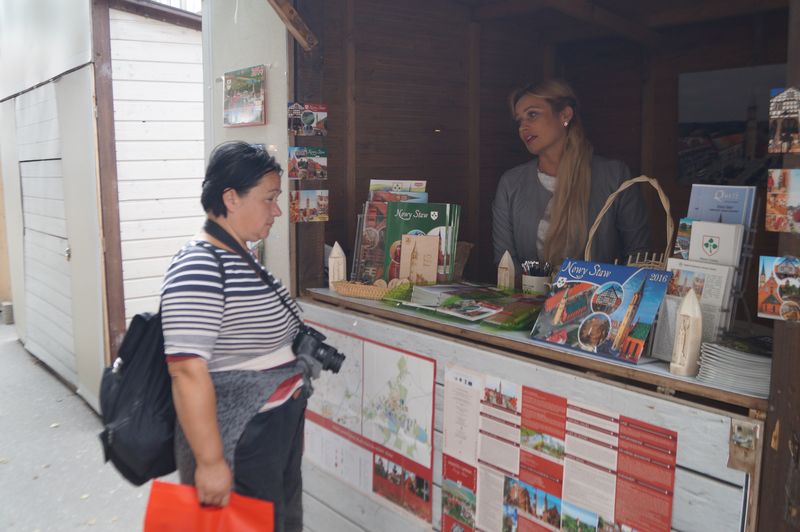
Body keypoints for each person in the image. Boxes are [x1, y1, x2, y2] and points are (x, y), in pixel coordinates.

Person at [161, 141, 306, 532]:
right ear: (231, 198)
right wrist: (210, 463)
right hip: (240, 438)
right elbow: (186, 371)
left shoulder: (238, 255)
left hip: (269, 430)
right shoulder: (199, 265)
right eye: (269, 199)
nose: (277, 211)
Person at [492, 79, 651, 270]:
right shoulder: (511, 183)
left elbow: (639, 254)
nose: (522, 127)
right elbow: (505, 263)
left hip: (602, 290)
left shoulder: (615, 176)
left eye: (532, 114)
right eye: (519, 120)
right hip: (527, 290)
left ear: (564, 115)